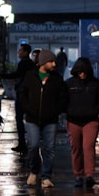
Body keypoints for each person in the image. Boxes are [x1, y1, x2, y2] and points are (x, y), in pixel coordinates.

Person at [19, 49, 67, 188]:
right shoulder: (30, 76)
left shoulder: (56, 79)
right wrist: (27, 108)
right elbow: (22, 93)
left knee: (49, 148)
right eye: (51, 62)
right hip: (32, 118)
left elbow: (62, 97)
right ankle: (34, 170)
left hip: (50, 119)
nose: (54, 64)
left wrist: (56, 111)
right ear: (43, 62)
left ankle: (46, 176)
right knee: (33, 145)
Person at [65, 57, 99, 188]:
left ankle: (88, 175)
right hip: (74, 120)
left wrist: (95, 111)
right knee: (76, 148)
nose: (82, 74)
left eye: (84, 71)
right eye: (79, 71)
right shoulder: (70, 84)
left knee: (88, 147)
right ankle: (78, 175)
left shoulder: (95, 84)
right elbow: (63, 100)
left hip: (90, 120)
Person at [0, 43, 35, 152]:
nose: (19, 52)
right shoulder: (30, 64)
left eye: (21, 50)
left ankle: (22, 143)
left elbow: (17, 74)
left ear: (26, 52)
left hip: (22, 94)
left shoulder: (24, 63)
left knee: (19, 119)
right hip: (28, 94)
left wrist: (2, 75)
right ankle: (28, 142)